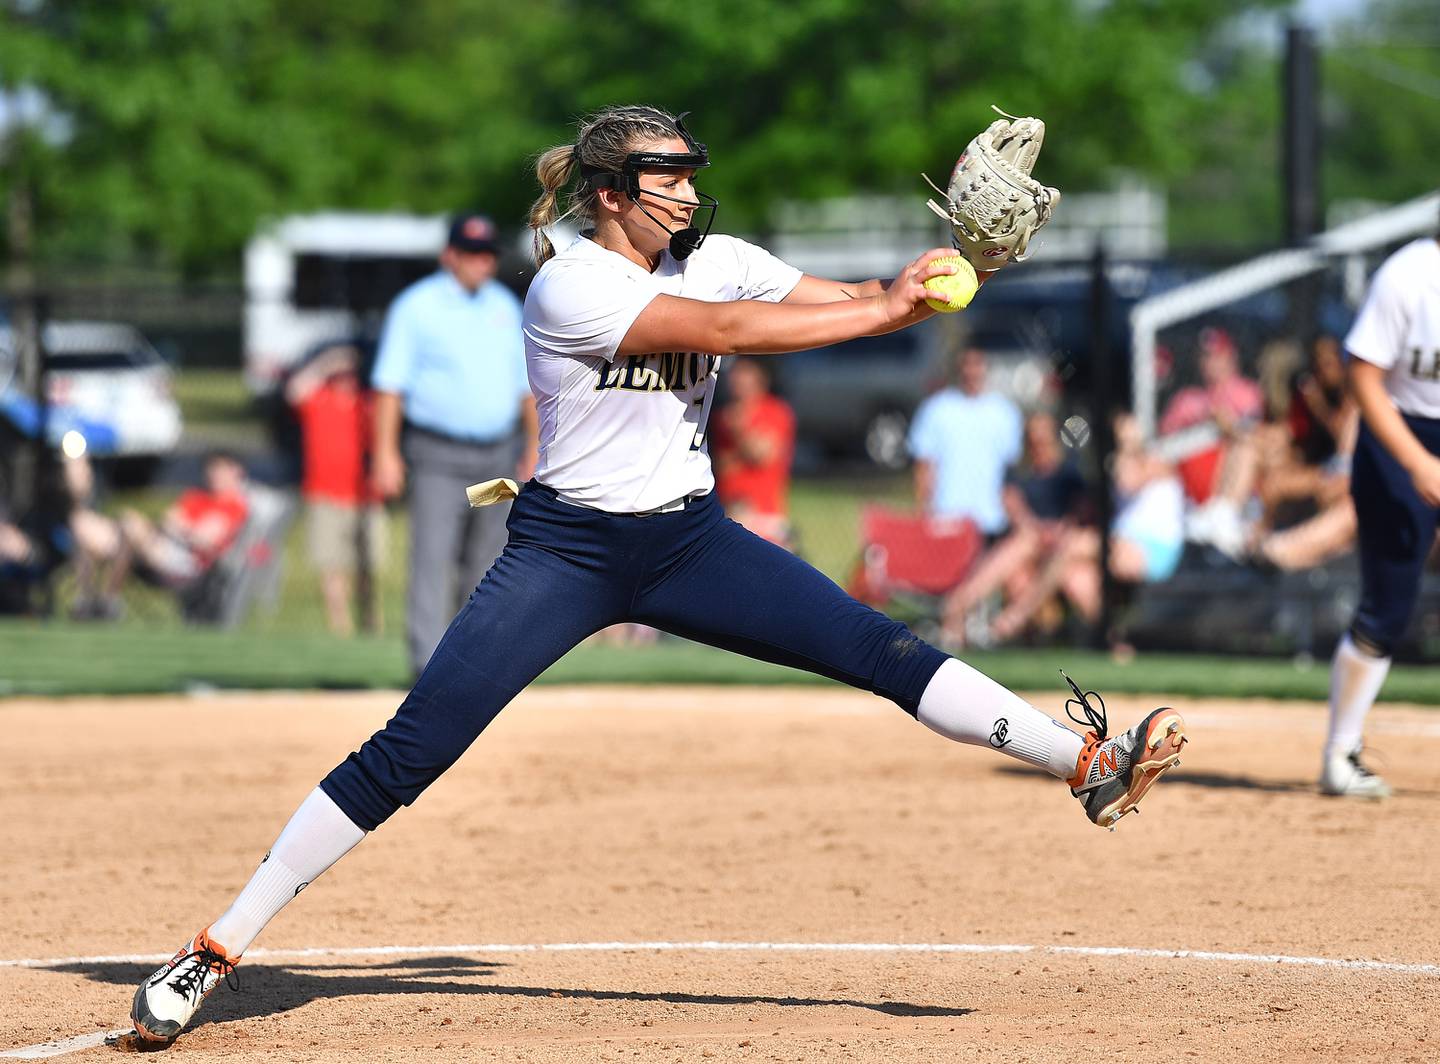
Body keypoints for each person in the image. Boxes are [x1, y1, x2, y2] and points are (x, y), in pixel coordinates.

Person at [125, 105, 1188, 1047]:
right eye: (664, 173)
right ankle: (215, 946)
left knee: (877, 645)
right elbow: (732, 332)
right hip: (566, 550)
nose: (685, 187)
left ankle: (1083, 763)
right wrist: (891, 308)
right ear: (608, 194)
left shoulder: (715, 252)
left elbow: (857, 294)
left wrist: (956, 270)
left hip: (688, 540)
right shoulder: (568, 283)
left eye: (688, 168)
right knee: (414, 747)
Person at [370, 212, 540, 675]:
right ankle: (426, 668)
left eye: (487, 255)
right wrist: (385, 453)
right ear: (450, 255)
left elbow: (526, 385)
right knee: (433, 555)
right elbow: (390, 385)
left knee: (487, 562)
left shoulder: (504, 306)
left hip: (496, 457)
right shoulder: (417, 307)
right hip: (437, 458)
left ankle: (471, 666)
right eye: (471, 254)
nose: (480, 264)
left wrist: (534, 446)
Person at [1319, 229, 1440, 798]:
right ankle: (1341, 754)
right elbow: (1362, 375)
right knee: (1388, 606)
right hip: (1399, 434)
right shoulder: (1411, 273)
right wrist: (1418, 462)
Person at [987, 415, 1184, 643]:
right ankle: (1114, 642)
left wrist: (1125, 448)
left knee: (1073, 544)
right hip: (1123, 544)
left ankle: (1017, 616)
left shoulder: (1157, 463)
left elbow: (1127, 482)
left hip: (1151, 549)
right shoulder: (1122, 463)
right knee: (1075, 577)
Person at [940, 410, 1088, 647]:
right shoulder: (1019, 472)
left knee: (1075, 577)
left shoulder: (1069, 472)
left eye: (1043, 438)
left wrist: (1058, 530)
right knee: (1020, 566)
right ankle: (965, 607)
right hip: (1031, 542)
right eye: (1033, 439)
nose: (1039, 445)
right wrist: (1039, 530)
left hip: (1060, 545)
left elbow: (1079, 511)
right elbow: (1014, 507)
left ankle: (964, 606)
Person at [70, 450, 249, 618]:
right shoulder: (196, 497)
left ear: (236, 472)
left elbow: (204, 540)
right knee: (82, 522)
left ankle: (109, 600)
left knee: (131, 524)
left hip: (187, 563)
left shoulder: (233, 506)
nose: (214, 474)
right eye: (212, 469)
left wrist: (179, 528)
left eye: (221, 469)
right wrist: (179, 527)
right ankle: (87, 599)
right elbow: (169, 520)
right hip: (155, 548)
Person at [285, 344, 388, 637]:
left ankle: (371, 623)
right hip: (325, 494)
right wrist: (327, 362)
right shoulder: (318, 399)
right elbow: (294, 389)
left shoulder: (367, 404)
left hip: (364, 496)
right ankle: (339, 627)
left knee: (367, 566)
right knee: (332, 566)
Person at [908, 346, 1022, 538]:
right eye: (966, 365)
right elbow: (923, 467)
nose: (971, 371)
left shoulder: (1005, 412)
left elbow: (1011, 472)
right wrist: (923, 512)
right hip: (947, 519)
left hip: (991, 521)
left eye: (976, 364)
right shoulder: (936, 408)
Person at [711, 355, 796, 545]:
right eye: (736, 372)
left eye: (745, 372)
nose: (737, 378)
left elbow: (762, 454)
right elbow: (721, 466)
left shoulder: (775, 410)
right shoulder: (721, 415)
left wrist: (739, 430)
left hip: (764, 516)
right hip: (729, 511)